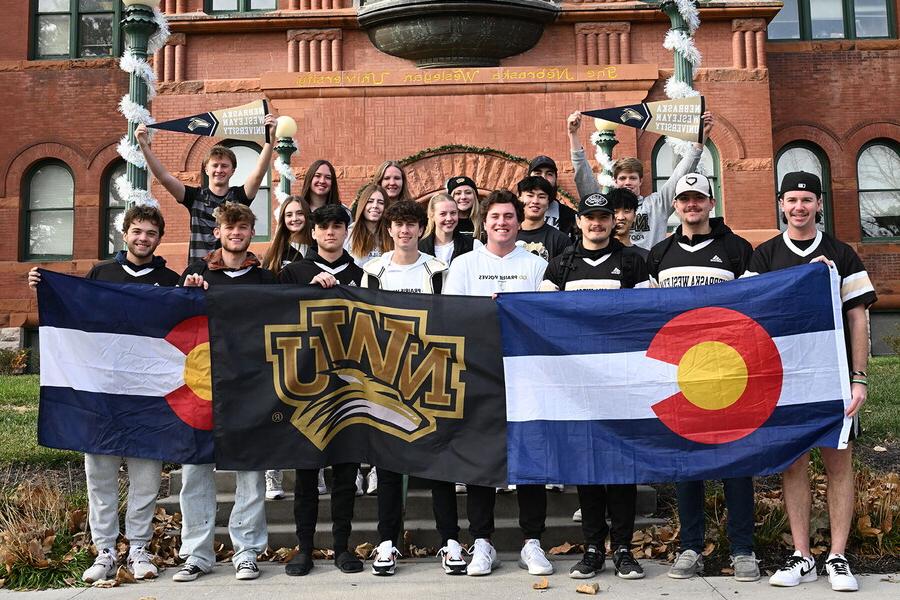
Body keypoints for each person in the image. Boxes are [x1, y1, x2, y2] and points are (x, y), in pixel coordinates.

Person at [28, 205, 177, 583]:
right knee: (100, 476)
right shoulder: (101, 274)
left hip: (149, 397)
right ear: (124, 233)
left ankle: (140, 548)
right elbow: (75, 317)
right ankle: (106, 549)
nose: (143, 238)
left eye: (151, 233)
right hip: (103, 395)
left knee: (146, 479)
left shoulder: (169, 280)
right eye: (137, 231)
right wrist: (45, 287)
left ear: (159, 239)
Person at [751, 172, 876, 593]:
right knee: (794, 464)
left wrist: (859, 378)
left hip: (834, 377)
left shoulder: (842, 254)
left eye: (807, 199)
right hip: (786, 380)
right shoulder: (764, 256)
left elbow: (858, 317)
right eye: (792, 200)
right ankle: (802, 554)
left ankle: (837, 556)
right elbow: (752, 316)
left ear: (819, 204)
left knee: (839, 463)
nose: (799, 207)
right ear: (781, 205)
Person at [645, 174, 757, 582]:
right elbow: (647, 315)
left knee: (735, 465)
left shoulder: (737, 249)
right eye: (684, 199)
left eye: (699, 199)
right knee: (688, 468)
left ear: (711, 203)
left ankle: (743, 549)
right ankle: (690, 547)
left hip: (729, 373)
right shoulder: (658, 254)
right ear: (675, 206)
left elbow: (756, 307)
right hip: (680, 377)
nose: (691, 205)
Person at [539, 192, 649, 580]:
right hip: (577, 383)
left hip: (621, 379)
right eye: (590, 218)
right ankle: (591, 548)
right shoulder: (561, 265)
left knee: (621, 467)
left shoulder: (633, 262)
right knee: (586, 466)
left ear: (612, 221)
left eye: (604, 217)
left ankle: (622, 547)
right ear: (580, 222)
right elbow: (540, 315)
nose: (597, 224)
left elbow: (648, 315)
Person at [444, 190, 548, 577]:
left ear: (519, 222)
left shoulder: (535, 265)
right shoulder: (465, 264)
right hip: (479, 374)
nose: (501, 223)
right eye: (495, 217)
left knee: (530, 457)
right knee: (481, 459)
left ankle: (532, 542)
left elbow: (545, 319)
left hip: (526, 376)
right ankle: (482, 542)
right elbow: (450, 319)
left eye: (508, 216)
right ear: (483, 222)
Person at [174, 202, 276, 582]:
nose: (236, 233)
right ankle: (196, 553)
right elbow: (173, 324)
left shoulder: (266, 280)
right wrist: (186, 293)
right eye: (229, 227)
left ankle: (246, 551)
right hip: (201, 386)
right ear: (217, 232)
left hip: (249, 386)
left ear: (252, 233)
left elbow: (290, 316)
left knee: (250, 470)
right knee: (195, 470)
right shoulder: (196, 274)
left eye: (244, 227)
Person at [359, 200, 456, 576]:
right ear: (390, 228)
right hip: (386, 376)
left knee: (439, 460)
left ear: (421, 227)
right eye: (398, 224)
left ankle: (450, 541)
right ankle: (387, 542)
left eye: (411, 224)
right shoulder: (373, 271)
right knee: (387, 463)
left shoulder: (438, 270)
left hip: (430, 374)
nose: (405, 231)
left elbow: (452, 319)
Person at [278, 204, 366, 577]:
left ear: (346, 231)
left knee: (345, 473)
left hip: (349, 386)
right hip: (306, 384)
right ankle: (305, 548)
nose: (330, 232)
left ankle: (343, 546)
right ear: (311, 232)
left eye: (337, 226)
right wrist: (303, 291)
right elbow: (272, 317)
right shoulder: (292, 273)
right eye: (324, 226)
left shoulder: (362, 275)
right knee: (306, 475)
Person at [134, 116, 275, 263]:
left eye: (224, 166)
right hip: (198, 273)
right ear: (206, 169)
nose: (219, 170)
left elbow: (259, 173)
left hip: (229, 270)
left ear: (233, 171)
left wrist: (270, 138)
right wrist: (144, 145)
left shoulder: (239, 196)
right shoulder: (194, 196)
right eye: (215, 165)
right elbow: (163, 177)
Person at [567, 111, 714, 250]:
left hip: (648, 268)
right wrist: (573, 134)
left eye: (633, 178)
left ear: (641, 181)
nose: (628, 182)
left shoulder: (657, 204)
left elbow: (680, 174)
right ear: (615, 181)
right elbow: (583, 179)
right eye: (622, 178)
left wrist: (701, 138)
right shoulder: (606, 205)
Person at [516, 176, 572, 262]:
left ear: (548, 202)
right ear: (519, 197)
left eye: (541, 197)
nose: (535, 201)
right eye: (530, 195)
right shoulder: (506, 235)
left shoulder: (560, 240)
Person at [419, 192, 481, 265]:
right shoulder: (419, 249)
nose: (449, 218)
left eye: (453, 213)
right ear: (432, 216)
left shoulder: (474, 246)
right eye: (443, 214)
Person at [526, 155, 577, 239]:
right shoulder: (515, 213)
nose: (543, 178)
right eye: (538, 173)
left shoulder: (570, 217)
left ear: (555, 179)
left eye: (549, 174)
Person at [346, 183, 392, 268]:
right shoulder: (348, 235)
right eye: (370, 201)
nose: (375, 206)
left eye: (380, 202)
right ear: (362, 204)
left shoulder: (391, 235)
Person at [607, 187, 649, 261]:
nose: (621, 217)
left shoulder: (645, 256)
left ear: (635, 217)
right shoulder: (597, 255)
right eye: (615, 211)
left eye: (626, 211)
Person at [447, 175, 483, 240]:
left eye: (468, 193)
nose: (463, 197)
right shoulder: (445, 222)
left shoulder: (484, 221)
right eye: (458, 193)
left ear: (475, 197)